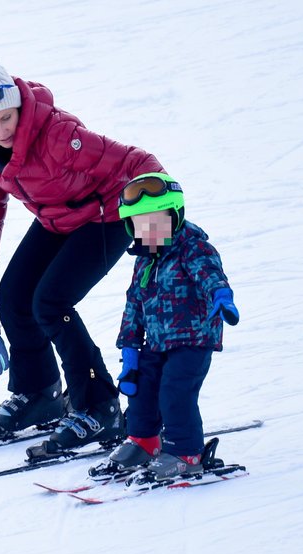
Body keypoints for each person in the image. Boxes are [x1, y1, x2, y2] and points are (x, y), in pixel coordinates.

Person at [0, 48, 167, 458]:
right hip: (58, 218)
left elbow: (132, 160)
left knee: (51, 303)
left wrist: (159, 216)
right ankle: (38, 392)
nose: (1, 130)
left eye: (7, 118)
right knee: (15, 297)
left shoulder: (57, 134)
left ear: (18, 105)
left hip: (106, 215)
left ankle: (99, 405)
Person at [90, 172, 240, 480]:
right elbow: (134, 305)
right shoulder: (144, 261)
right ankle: (144, 441)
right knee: (141, 390)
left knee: (175, 393)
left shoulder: (193, 249)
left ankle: (186, 453)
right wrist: (130, 350)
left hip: (193, 341)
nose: (150, 230)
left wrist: (221, 296)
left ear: (175, 216)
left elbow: (210, 275)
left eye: (157, 221)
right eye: (141, 224)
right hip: (156, 344)